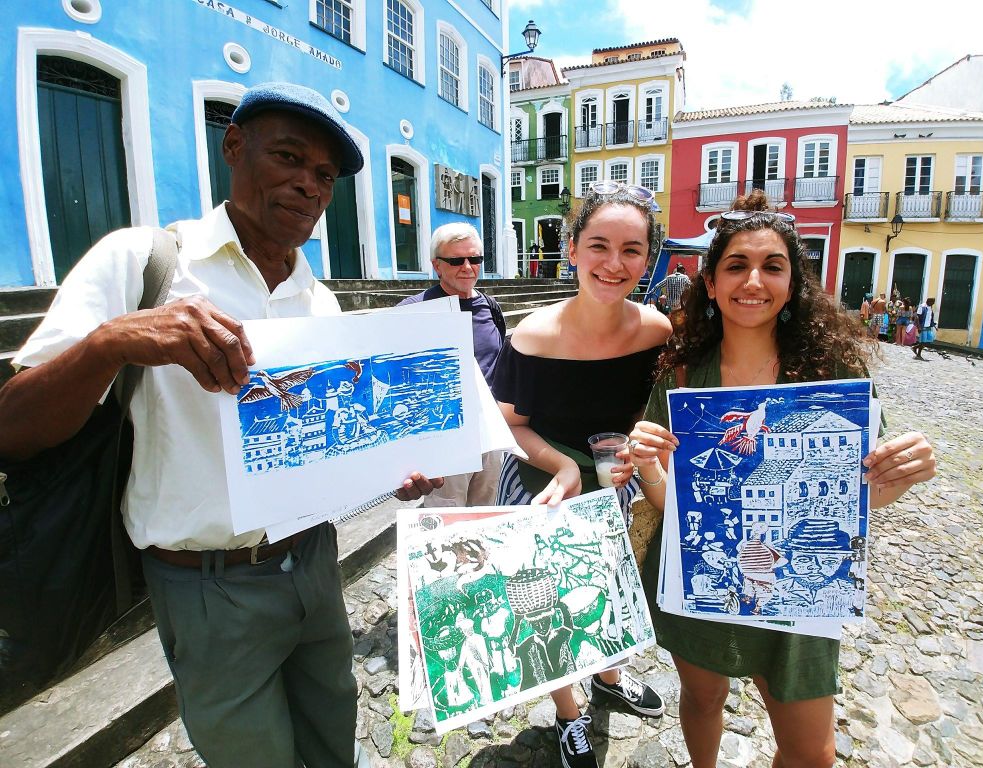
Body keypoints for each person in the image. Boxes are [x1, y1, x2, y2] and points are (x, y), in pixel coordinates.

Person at [0, 82, 441, 767]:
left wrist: (394, 471)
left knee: (334, 744)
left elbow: (327, 449)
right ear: (234, 146)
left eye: (323, 176)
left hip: (314, 568)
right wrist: (113, 341)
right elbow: (13, 428)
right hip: (207, 587)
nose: (307, 186)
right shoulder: (145, 263)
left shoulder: (319, 303)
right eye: (288, 157)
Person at [626, 190, 936, 768]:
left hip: (804, 584)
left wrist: (905, 471)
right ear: (712, 284)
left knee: (811, 751)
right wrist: (644, 459)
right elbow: (675, 500)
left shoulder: (831, 374)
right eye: (736, 265)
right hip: (705, 574)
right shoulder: (685, 373)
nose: (753, 280)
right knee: (704, 695)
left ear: (793, 284)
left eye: (773, 266)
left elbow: (860, 495)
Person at [491, 180, 670, 768]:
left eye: (631, 250)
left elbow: (655, 409)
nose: (613, 264)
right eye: (598, 245)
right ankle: (570, 715)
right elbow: (509, 426)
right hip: (544, 476)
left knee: (613, 586)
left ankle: (610, 679)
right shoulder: (533, 336)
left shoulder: (656, 331)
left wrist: (636, 456)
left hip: (613, 475)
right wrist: (565, 464)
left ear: (649, 259)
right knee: (549, 599)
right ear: (571, 249)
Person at [398, 223, 506, 507]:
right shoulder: (413, 311)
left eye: (475, 259)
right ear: (437, 266)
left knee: (488, 516)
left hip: (490, 436)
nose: (468, 267)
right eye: (456, 260)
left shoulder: (490, 307)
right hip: (445, 435)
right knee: (447, 521)